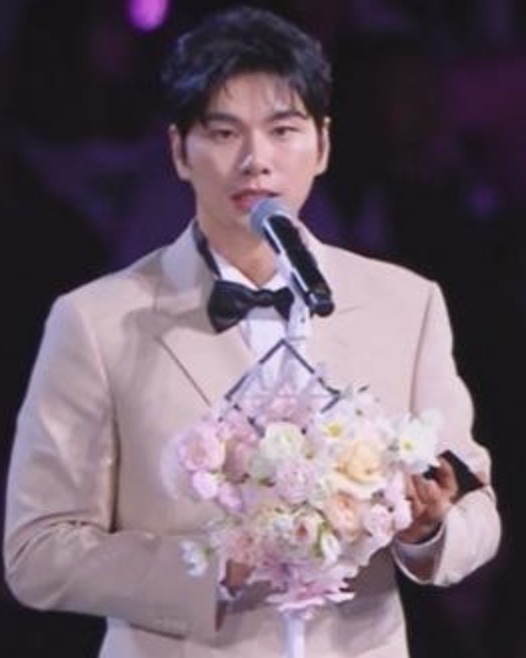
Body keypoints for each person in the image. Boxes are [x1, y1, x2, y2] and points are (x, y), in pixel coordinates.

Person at [3, 6, 501, 658]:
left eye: (283, 130)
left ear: (322, 144)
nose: (256, 160)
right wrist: (213, 568)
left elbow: (475, 506)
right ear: (179, 151)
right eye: (223, 132)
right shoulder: (97, 321)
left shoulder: (406, 304)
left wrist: (427, 531)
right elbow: (37, 550)